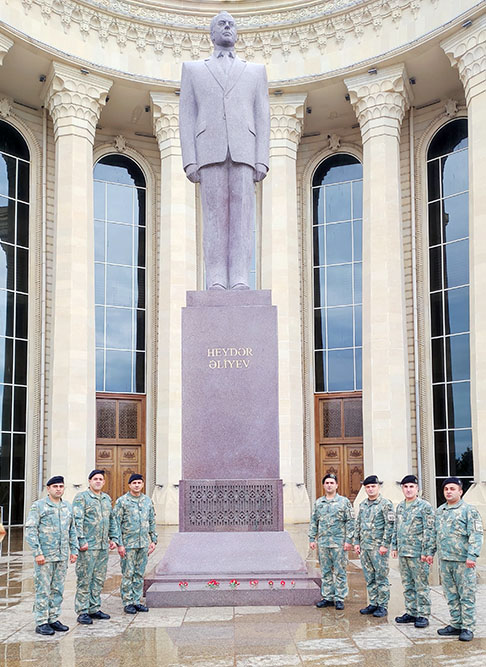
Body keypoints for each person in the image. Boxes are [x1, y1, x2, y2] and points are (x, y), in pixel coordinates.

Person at [179, 11, 270, 290]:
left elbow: (262, 115)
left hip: (244, 150)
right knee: (215, 218)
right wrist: (189, 160)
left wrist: (262, 159)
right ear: (212, 34)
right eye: (221, 24)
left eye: (232, 24)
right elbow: (186, 115)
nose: (228, 27)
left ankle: (241, 277)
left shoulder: (255, 71)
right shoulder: (193, 69)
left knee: (242, 219)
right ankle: (216, 277)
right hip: (209, 151)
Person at [25, 475, 78, 635]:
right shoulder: (39, 506)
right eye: (55, 487)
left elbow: (72, 530)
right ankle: (41, 621)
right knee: (43, 589)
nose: (58, 489)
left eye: (61, 486)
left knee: (57, 589)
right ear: (48, 489)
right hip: (45, 557)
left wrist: (73, 550)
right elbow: (30, 530)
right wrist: (37, 552)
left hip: (61, 557)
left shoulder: (67, 507)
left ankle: (53, 618)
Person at [435, 476, 483, 642]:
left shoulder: (469, 511)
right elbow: (436, 534)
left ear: (460, 491)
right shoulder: (440, 511)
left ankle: (468, 627)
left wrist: (472, 555)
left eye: (452, 489)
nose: (449, 492)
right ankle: (456, 623)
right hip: (446, 560)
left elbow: (476, 534)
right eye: (446, 489)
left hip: (463, 561)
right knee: (451, 595)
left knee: (466, 595)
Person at [73, 469, 119, 625]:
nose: (98, 481)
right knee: (85, 578)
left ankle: (94, 608)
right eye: (95, 479)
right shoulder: (82, 498)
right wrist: (81, 540)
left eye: (100, 479)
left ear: (104, 482)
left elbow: (111, 520)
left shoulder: (106, 499)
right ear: (90, 481)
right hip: (88, 546)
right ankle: (82, 611)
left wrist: (114, 538)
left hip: (102, 547)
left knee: (98, 578)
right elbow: (77, 521)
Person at [391, 474, 435, 628]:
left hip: (418, 553)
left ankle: (423, 614)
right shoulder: (400, 506)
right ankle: (411, 611)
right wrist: (395, 546)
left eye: (411, 487)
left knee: (421, 585)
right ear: (402, 489)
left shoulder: (424, 506)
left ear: (417, 489)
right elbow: (396, 528)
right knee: (407, 584)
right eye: (406, 487)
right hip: (404, 552)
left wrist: (427, 552)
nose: (408, 490)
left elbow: (429, 530)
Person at [308, 473, 354, 610]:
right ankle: (328, 597)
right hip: (323, 543)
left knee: (340, 571)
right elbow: (314, 521)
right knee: (326, 571)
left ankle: (339, 597)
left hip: (339, 543)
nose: (329, 485)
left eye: (332, 483)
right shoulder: (318, 502)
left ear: (337, 485)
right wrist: (312, 538)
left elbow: (350, 521)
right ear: (323, 485)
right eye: (327, 483)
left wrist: (349, 540)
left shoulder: (344, 502)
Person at [113, 473, 158, 614]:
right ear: (130, 485)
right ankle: (128, 601)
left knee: (139, 573)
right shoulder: (122, 501)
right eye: (134, 483)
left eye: (139, 482)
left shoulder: (147, 501)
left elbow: (151, 521)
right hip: (128, 544)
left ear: (143, 484)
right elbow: (116, 523)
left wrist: (153, 540)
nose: (137, 485)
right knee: (128, 573)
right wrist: (119, 544)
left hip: (143, 543)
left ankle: (137, 600)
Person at [354, 475, 395, 617]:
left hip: (378, 548)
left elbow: (390, 526)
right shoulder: (363, 504)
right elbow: (358, 524)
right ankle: (373, 603)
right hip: (365, 547)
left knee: (381, 577)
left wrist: (385, 545)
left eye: (373, 486)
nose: (370, 489)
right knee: (369, 576)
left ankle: (382, 605)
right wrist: (357, 542)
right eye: (368, 487)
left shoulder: (385, 504)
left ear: (378, 487)